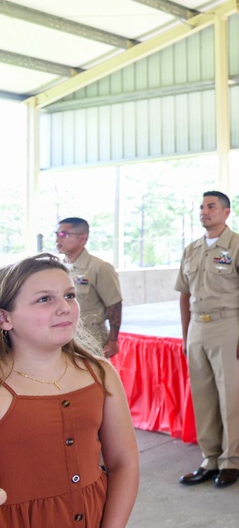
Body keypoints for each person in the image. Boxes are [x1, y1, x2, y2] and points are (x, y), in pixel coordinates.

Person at [0, 253, 139, 527]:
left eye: (70, 295)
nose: (65, 307)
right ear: (5, 319)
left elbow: (124, 463)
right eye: (44, 299)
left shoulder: (99, 373)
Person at [176, 190, 239, 489]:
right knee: (203, 397)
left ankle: (231, 460)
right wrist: (186, 334)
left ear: (226, 212)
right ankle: (210, 458)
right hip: (197, 330)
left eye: (211, 206)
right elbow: (184, 295)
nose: (204, 211)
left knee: (230, 396)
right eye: (201, 206)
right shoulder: (191, 250)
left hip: (227, 325)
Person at [55, 217, 124, 358]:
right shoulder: (58, 268)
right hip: (64, 334)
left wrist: (113, 341)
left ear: (82, 238)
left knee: (93, 377)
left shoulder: (99, 267)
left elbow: (114, 305)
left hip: (91, 336)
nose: (58, 240)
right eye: (57, 234)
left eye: (63, 235)